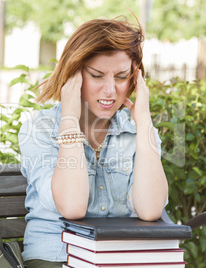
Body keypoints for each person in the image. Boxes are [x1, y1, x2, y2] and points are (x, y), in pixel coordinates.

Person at [18, 16, 169, 268]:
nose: (110, 90)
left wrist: (143, 122)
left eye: (121, 77)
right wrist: (69, 119)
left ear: (134, 78)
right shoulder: (40, 129)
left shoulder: (139, 131)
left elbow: (151, 209)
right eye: (97, 76)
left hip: (119, 258)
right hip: (57, 255)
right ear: (73, 75)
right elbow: (72, 207)